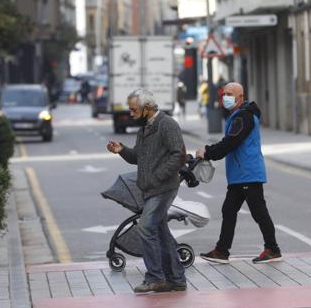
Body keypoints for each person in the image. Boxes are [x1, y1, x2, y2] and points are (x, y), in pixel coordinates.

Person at [107, 89, 187, 293]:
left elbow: (178, 155)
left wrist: (158, 176)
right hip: (150, 188)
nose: (130, 114)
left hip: (164, 187)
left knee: (145, 228)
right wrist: (122, 150)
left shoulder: (167, 125)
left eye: (134, 110)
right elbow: (138, 157)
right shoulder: (144, 128)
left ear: (147, 108)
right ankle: (176, 279)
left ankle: (155, 277)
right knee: (160, 232)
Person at [195, 82, 282, 264]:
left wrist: (208, 152)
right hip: (239, 175)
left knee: (259, 212)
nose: (226, 97)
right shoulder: (236, 116)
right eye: (224, 93)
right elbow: (230, 141)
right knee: (228, 210)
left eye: (230, 94)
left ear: (240, 98)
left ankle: (273, 249)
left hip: (248, 174)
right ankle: (222, 251)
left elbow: (231, 142)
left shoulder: (243, 117)